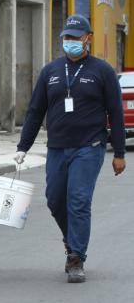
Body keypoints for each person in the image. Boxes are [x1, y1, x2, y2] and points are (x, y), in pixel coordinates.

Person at [15, 15, 126, 283]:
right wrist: (23, 147)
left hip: (90, 146)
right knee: (55, 199)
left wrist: (120, 152)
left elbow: (116, 112)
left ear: (88, 38)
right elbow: (35, 111)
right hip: (57, 147)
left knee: (78, 200)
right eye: (67, 37)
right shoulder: (51, 72)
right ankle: (72, 239)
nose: (71, 42)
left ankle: (76, 256)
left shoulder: (102, 71)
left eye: (76, 37)